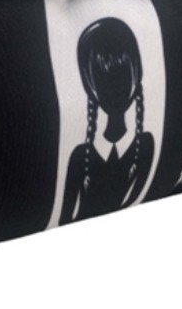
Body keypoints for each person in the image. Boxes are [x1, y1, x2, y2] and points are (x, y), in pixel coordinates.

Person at [60, 17, 154, 225]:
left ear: (136, 75)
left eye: (122, 77)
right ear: (90, 87)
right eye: (103, 81)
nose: (114, 90)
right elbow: (64, 217)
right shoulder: (79, 157)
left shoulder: (145, 145)